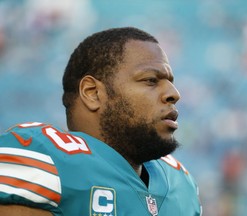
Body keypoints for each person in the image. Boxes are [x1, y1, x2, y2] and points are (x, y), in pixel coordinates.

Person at [0, 27, 202, 216]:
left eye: (170, 82)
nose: (173, 94)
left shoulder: (181, 185)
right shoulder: (44, 158)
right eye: (150, 80)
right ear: (93, 93)